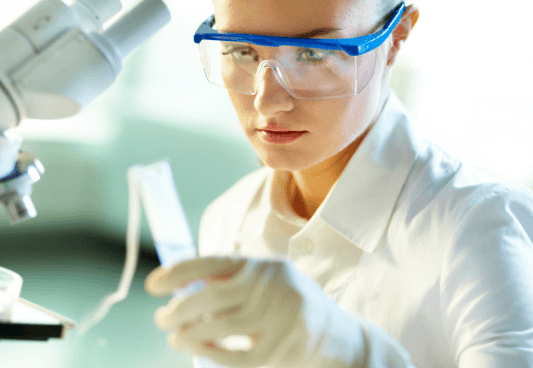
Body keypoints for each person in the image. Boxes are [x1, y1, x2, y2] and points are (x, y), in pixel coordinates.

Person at [145, 0, 533, 367]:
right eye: (242, 52)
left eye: (313, 53)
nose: (267, 101)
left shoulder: (481, 229)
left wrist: (350, 352)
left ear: (396, 37)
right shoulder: (229, 218)